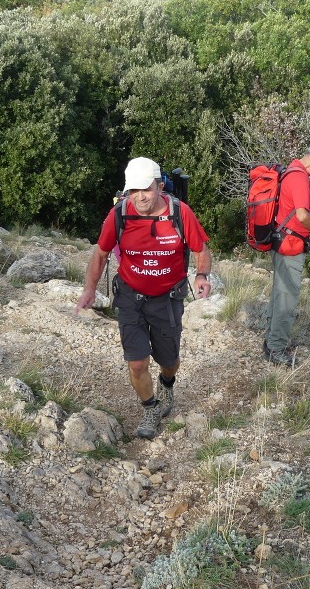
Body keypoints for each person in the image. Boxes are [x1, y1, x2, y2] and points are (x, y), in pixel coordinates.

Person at [76, 157, 213, 438]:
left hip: (167, 298)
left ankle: (167, 382)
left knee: (169, 358)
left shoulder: (180, 212)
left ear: (160, 186)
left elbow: (201, 249)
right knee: (137, 362)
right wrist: (89, 289)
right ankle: (150, 408)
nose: (140, 197)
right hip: (130, 297)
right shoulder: (119, 214)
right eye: (133, 190)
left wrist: (201, 276)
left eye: (146, 189)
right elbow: (100, 254)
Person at [263, 138, 310, 366]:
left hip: (285, 242)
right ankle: (276, 349)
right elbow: (301, 215)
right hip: (290, 247)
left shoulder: (295, 171)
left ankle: (271, 341)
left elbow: (307, 210)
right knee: (286, 299)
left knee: (280, 294)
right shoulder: (298, 177)